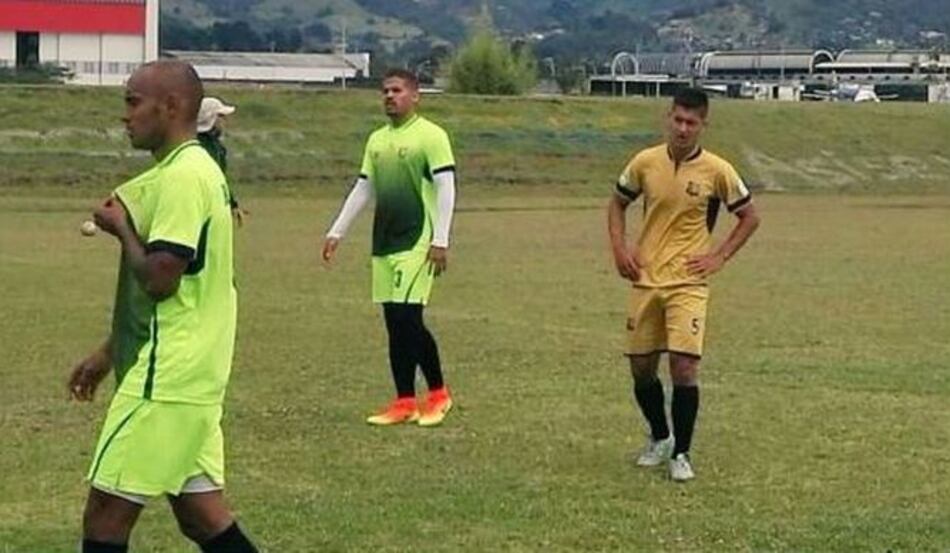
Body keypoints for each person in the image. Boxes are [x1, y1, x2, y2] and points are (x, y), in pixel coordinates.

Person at [67, 60, 258, 552]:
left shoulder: (182, 177)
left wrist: (122, 230)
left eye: (133, 102)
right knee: (202, 517)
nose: (124, 116)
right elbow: (190, 284)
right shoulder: (198, 169)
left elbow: (160, 280)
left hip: (167, 376)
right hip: (195, 371)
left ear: (171, 107)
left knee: (105, 519)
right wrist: (109, 354)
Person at [607, 88, 761, 482]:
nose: (683, 128)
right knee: (642, 369)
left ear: (703, 126)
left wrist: (718, 256)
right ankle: (660, 436)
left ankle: (681, 452)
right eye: (677, 119)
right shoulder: (645, 162)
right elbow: (617, 203)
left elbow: (749, 217)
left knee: (684, 367)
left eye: (691, 122)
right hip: (645, 278)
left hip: (689, 283)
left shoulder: (717, 170)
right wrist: (620, 249)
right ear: (668, 118)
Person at [322, 68, 457, 427]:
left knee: (407, 319)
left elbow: (446, 188)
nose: (389, 96)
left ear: (415, 96)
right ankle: (407, 401)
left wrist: (440, 239)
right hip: (384, 242)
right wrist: (338, 230)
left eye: (397, 90)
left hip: (417, 241)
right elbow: (364, 187)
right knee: (395, 322)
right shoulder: (376, 140)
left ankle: (435, 395)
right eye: (385, 91)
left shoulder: (431, 136)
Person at [197, 96, 246, 227]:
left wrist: (232, 204)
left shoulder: (218, 148)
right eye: (221, 116)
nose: (225, 121)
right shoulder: (197, 147)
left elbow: (220, 180)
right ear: (211, 119)